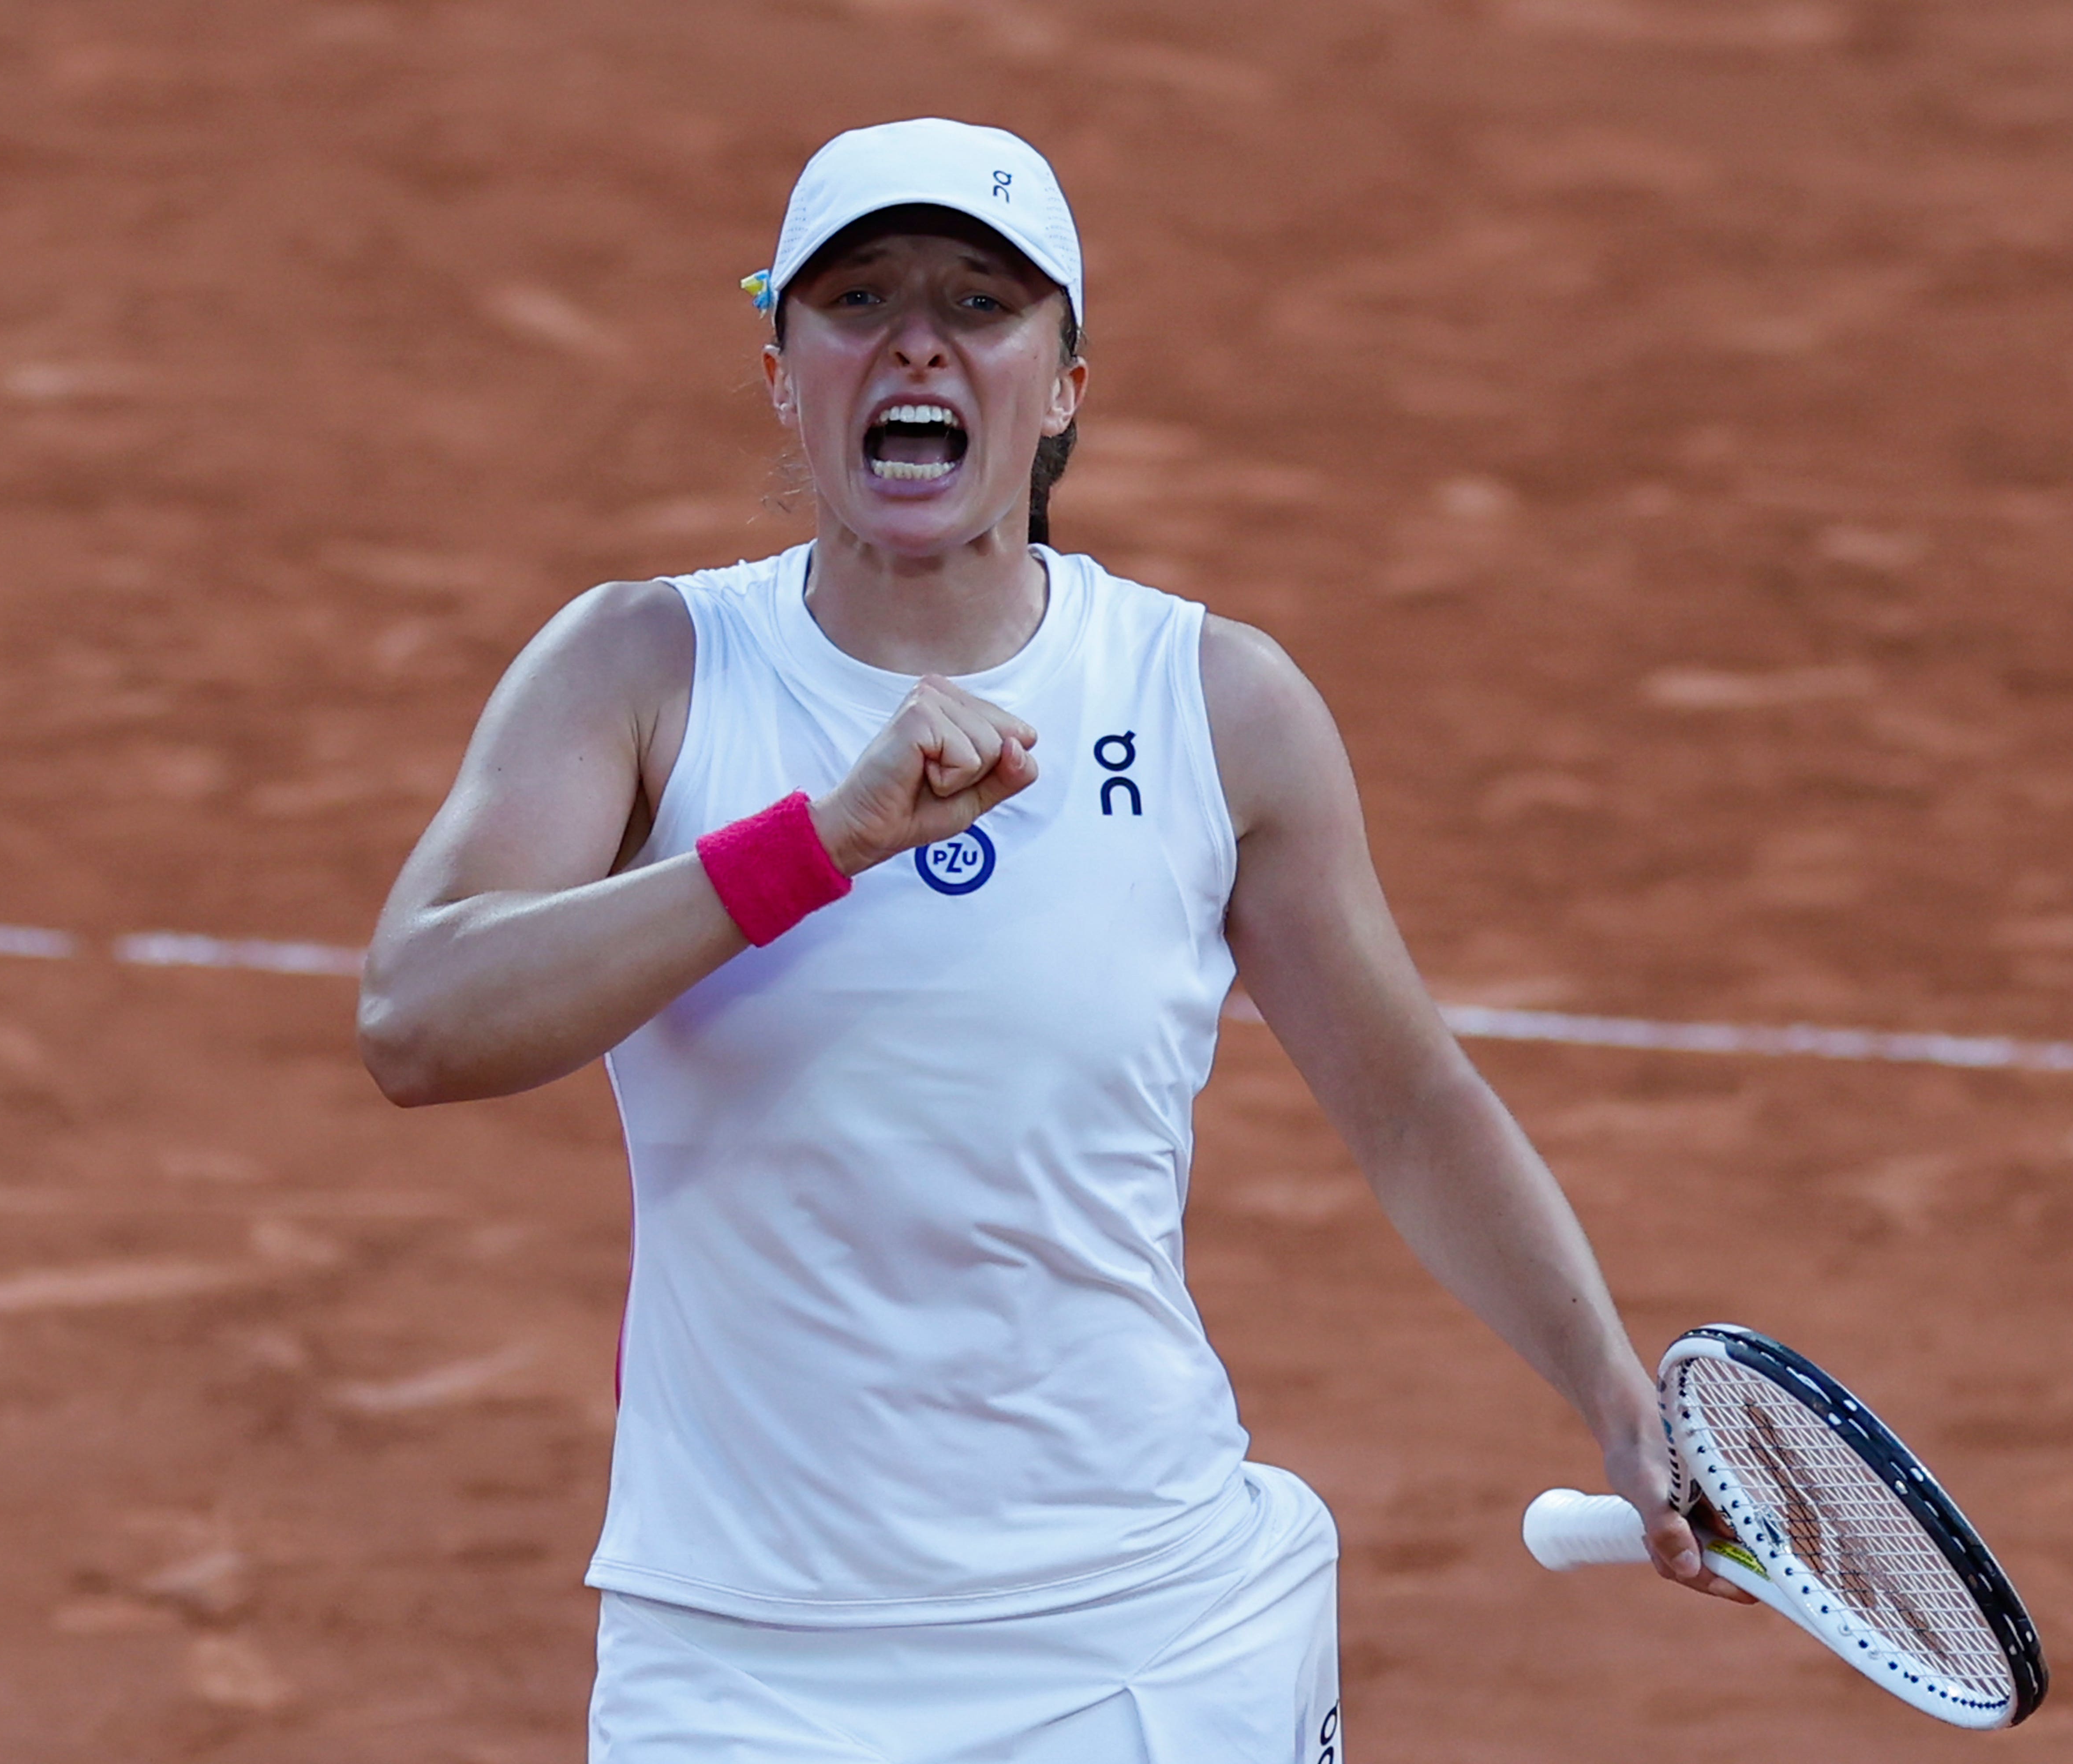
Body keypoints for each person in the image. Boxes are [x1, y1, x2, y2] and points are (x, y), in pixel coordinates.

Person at [358, 117, 1741, 1764]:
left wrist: (1614, 1388)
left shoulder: (1213, 704)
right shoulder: (648, 668)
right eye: (857, 296)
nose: (917, 339)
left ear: (1065, 381)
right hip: (739, 1659)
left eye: (982, 303)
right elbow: (419, 1018)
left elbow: (1410, 1103)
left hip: (1145, 1635)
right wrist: (817, 843)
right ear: (784, 370)